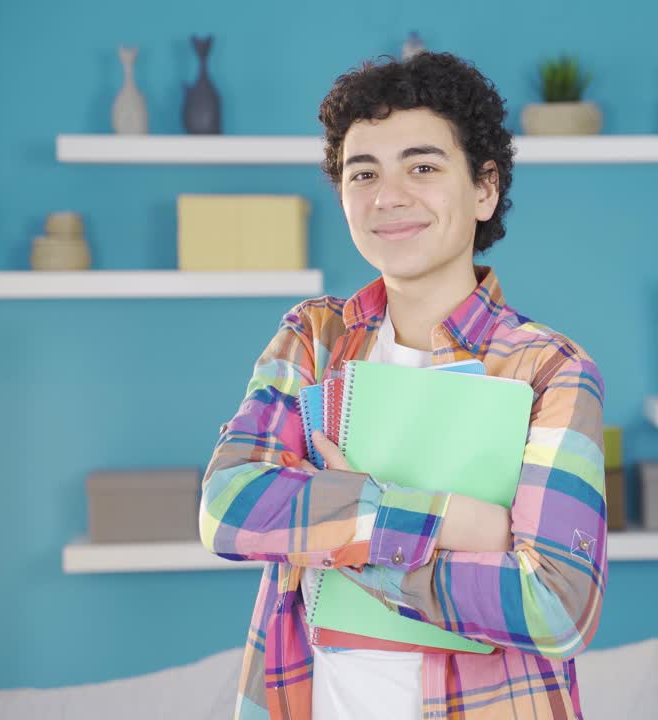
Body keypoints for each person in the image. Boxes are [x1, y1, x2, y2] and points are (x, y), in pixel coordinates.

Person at [200, 51, 607, 720]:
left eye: (422, 167)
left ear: (484, 189)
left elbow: (555, 607)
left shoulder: (551, 369)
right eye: (364, 173)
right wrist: (457, 521)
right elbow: (228, 507)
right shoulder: (313, 338)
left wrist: (339, 530)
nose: (387, 196)